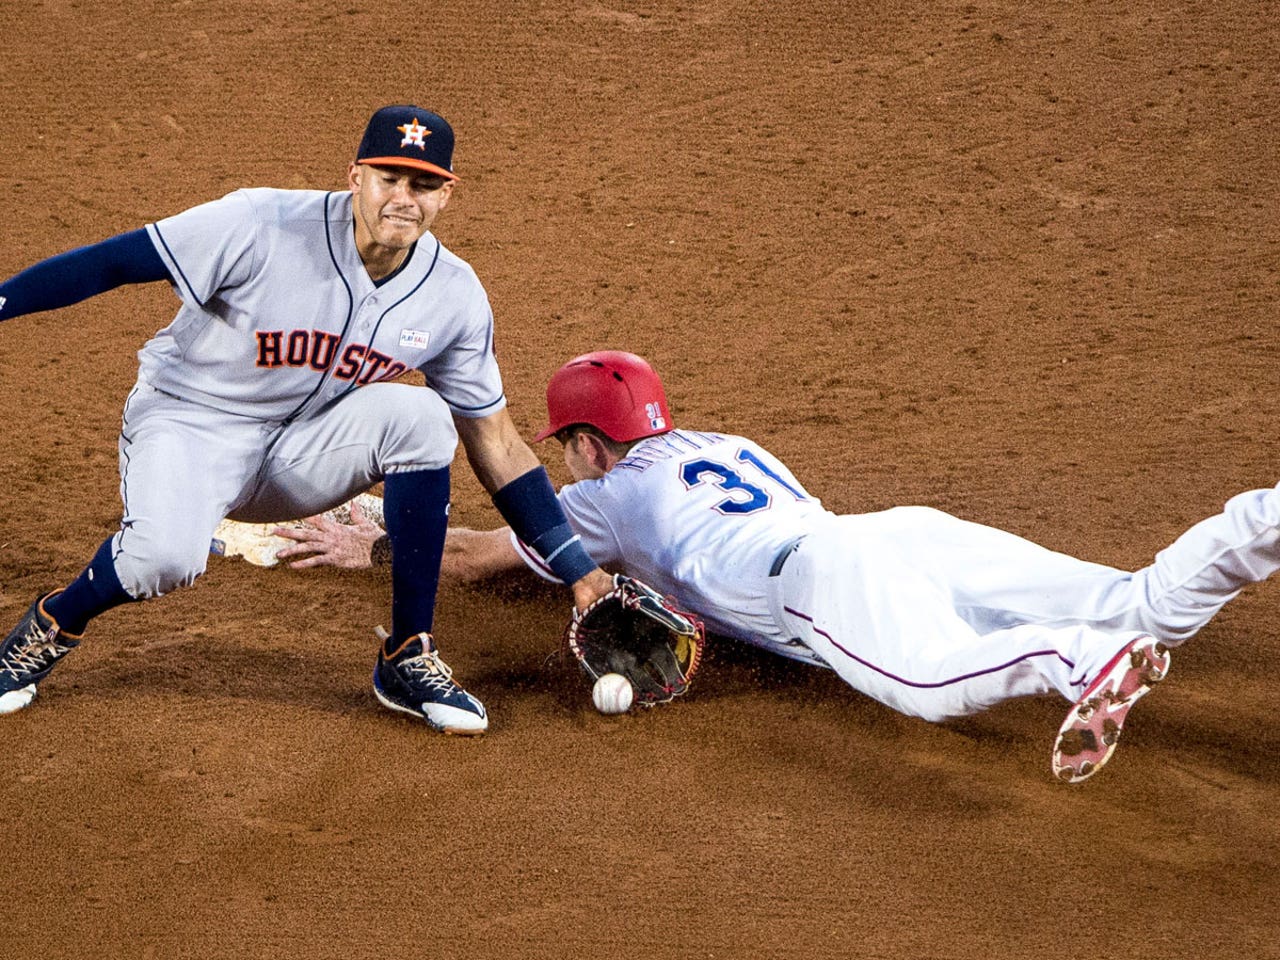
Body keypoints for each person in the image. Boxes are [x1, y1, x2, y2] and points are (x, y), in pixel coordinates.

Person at [257, 350, 1280, 782]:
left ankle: (1072, 665)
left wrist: (372, 542)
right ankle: (1257, 523)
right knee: (1134, 598)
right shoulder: (720, 443)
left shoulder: (604, 493)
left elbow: (485, 558)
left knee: (924, 680)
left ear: (581, 442)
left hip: (818, 579)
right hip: (894, 531)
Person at [0, 104, 612, 735]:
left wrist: (580, 571)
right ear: (356, 177)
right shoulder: (258, 223)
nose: (405, 198)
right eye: (390, 179)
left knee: (426, 417)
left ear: (447, 194)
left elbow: (499, 444)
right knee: (161, 560)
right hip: (190, 424)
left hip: (302, 453)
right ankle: (53, 624)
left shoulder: (452, 295)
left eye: (424, 184)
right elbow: (113, 264)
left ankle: (407, 654)